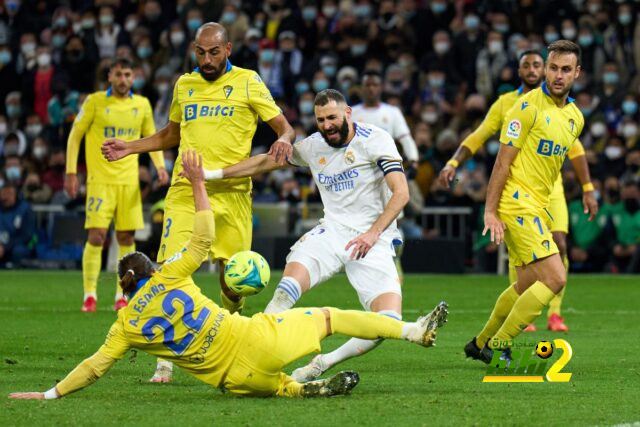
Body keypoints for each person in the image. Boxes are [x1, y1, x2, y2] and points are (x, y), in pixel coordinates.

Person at [7, 150, 449, 401]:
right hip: (255, 339)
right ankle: (410, 330)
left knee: (278, 388)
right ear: (152, 269)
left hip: (234, 382)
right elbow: (202, 239)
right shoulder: (170, 277)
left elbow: (96, 367)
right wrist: (200, 182)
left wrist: (50, 394)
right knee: (333, 316)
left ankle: (299, 390)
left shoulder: (125, 327)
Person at [100, 22, 295, 383]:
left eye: (214, 52)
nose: (207, 59)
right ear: (194, 49)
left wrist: (283, 138)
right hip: (185, 190)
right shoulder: (184, 84)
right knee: (170, 270)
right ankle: (165, 361)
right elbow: (171, 135)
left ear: (228, 49)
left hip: (232, 193)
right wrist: (130, 147)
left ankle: (235, 334)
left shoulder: (249, 82)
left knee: (233, 282)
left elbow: (285, 127)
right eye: (201, 52)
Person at [201, 89, 422, 383]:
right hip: (331, 232)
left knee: (388, 322)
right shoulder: (313, 146)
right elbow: (266, 161)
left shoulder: (376, 139)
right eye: (320, 120)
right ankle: (253, 351)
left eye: (332, 117)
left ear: (347, 113)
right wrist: (212, 175)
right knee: (286, 289)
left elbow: (402, 193)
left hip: (374, 239)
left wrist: (371, 234)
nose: (327, 125)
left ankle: (321, 363)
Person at [439, 50, 598, 332]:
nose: (538, 70)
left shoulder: (572, 114)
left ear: (576, 73)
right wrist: (454, 162)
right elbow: (482, 138)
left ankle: (552, 314)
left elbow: (575, 150)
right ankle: (505, 334)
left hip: (552, 191)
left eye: (538, 64)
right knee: (537, 270)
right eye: (532, 65)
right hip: (519, 196)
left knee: (558, 246)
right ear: (522, 70)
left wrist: (587, 187)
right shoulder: (512, 105)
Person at [64, 57, 168, 313]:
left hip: (129, 182)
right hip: (100, 181)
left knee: (126, 237)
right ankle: (89, 295)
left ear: (134, 77)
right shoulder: (95, 101)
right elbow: (75, 136)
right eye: (119, 75)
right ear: (109, 76)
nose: (123, 80)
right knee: (97, 236)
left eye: (128, 75)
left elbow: (153, 137)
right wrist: (71, 172)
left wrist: (160, 166)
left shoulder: (141, 104)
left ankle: (122, 295)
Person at [351, 69, 420, 281]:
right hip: (360, 176)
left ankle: (395, 259)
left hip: (388, 174)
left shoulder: (391, 112)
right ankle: (367, 265)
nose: (371, 88)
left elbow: (405, 137)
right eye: (367, 85)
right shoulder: (351, 112)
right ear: (362, 88)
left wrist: (414, 158)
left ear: (380, 88)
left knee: (393, 220)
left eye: (374, 85)